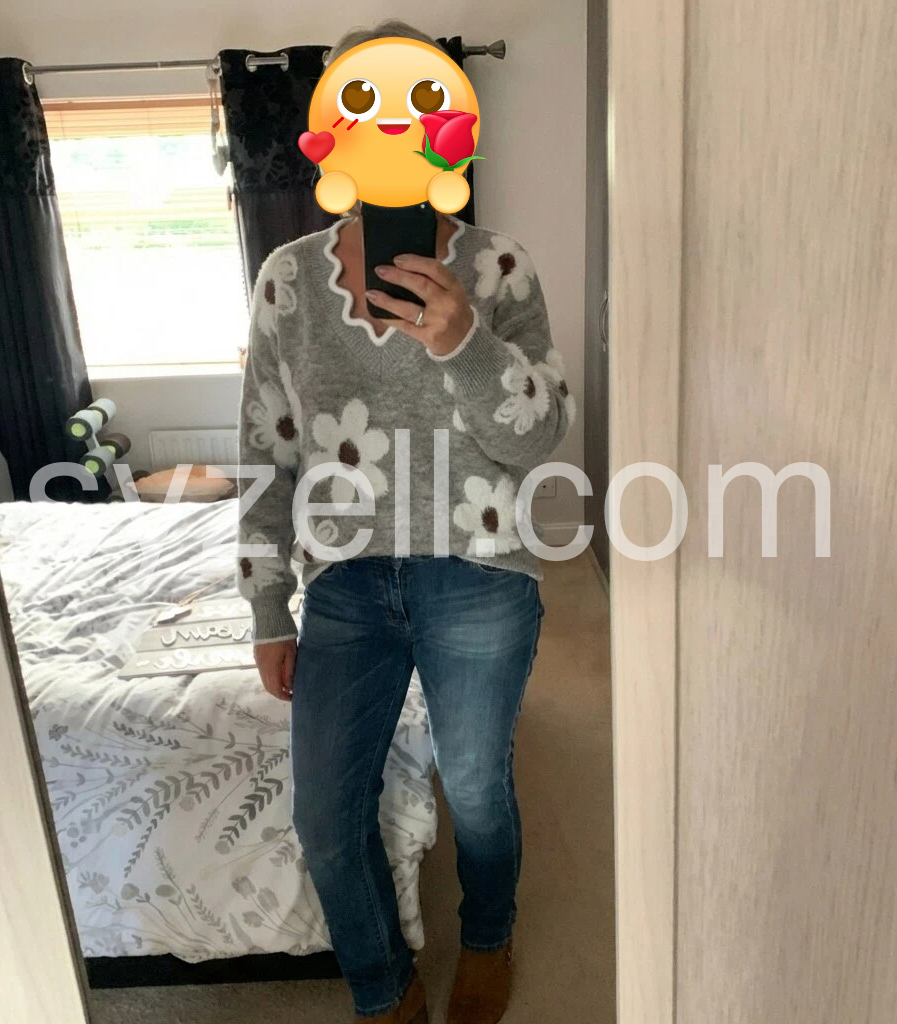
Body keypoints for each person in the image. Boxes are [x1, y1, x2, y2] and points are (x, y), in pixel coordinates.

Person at [236, 21, 574, 1023]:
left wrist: (463, 340)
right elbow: (265, 449)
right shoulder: (287, 280)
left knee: (475, 788)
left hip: (481, 570)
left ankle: (488, 935)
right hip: (345, 578)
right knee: (324, 817)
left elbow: (537, 436)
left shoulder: (498, 269)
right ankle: (383, 990)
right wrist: (267, 604)